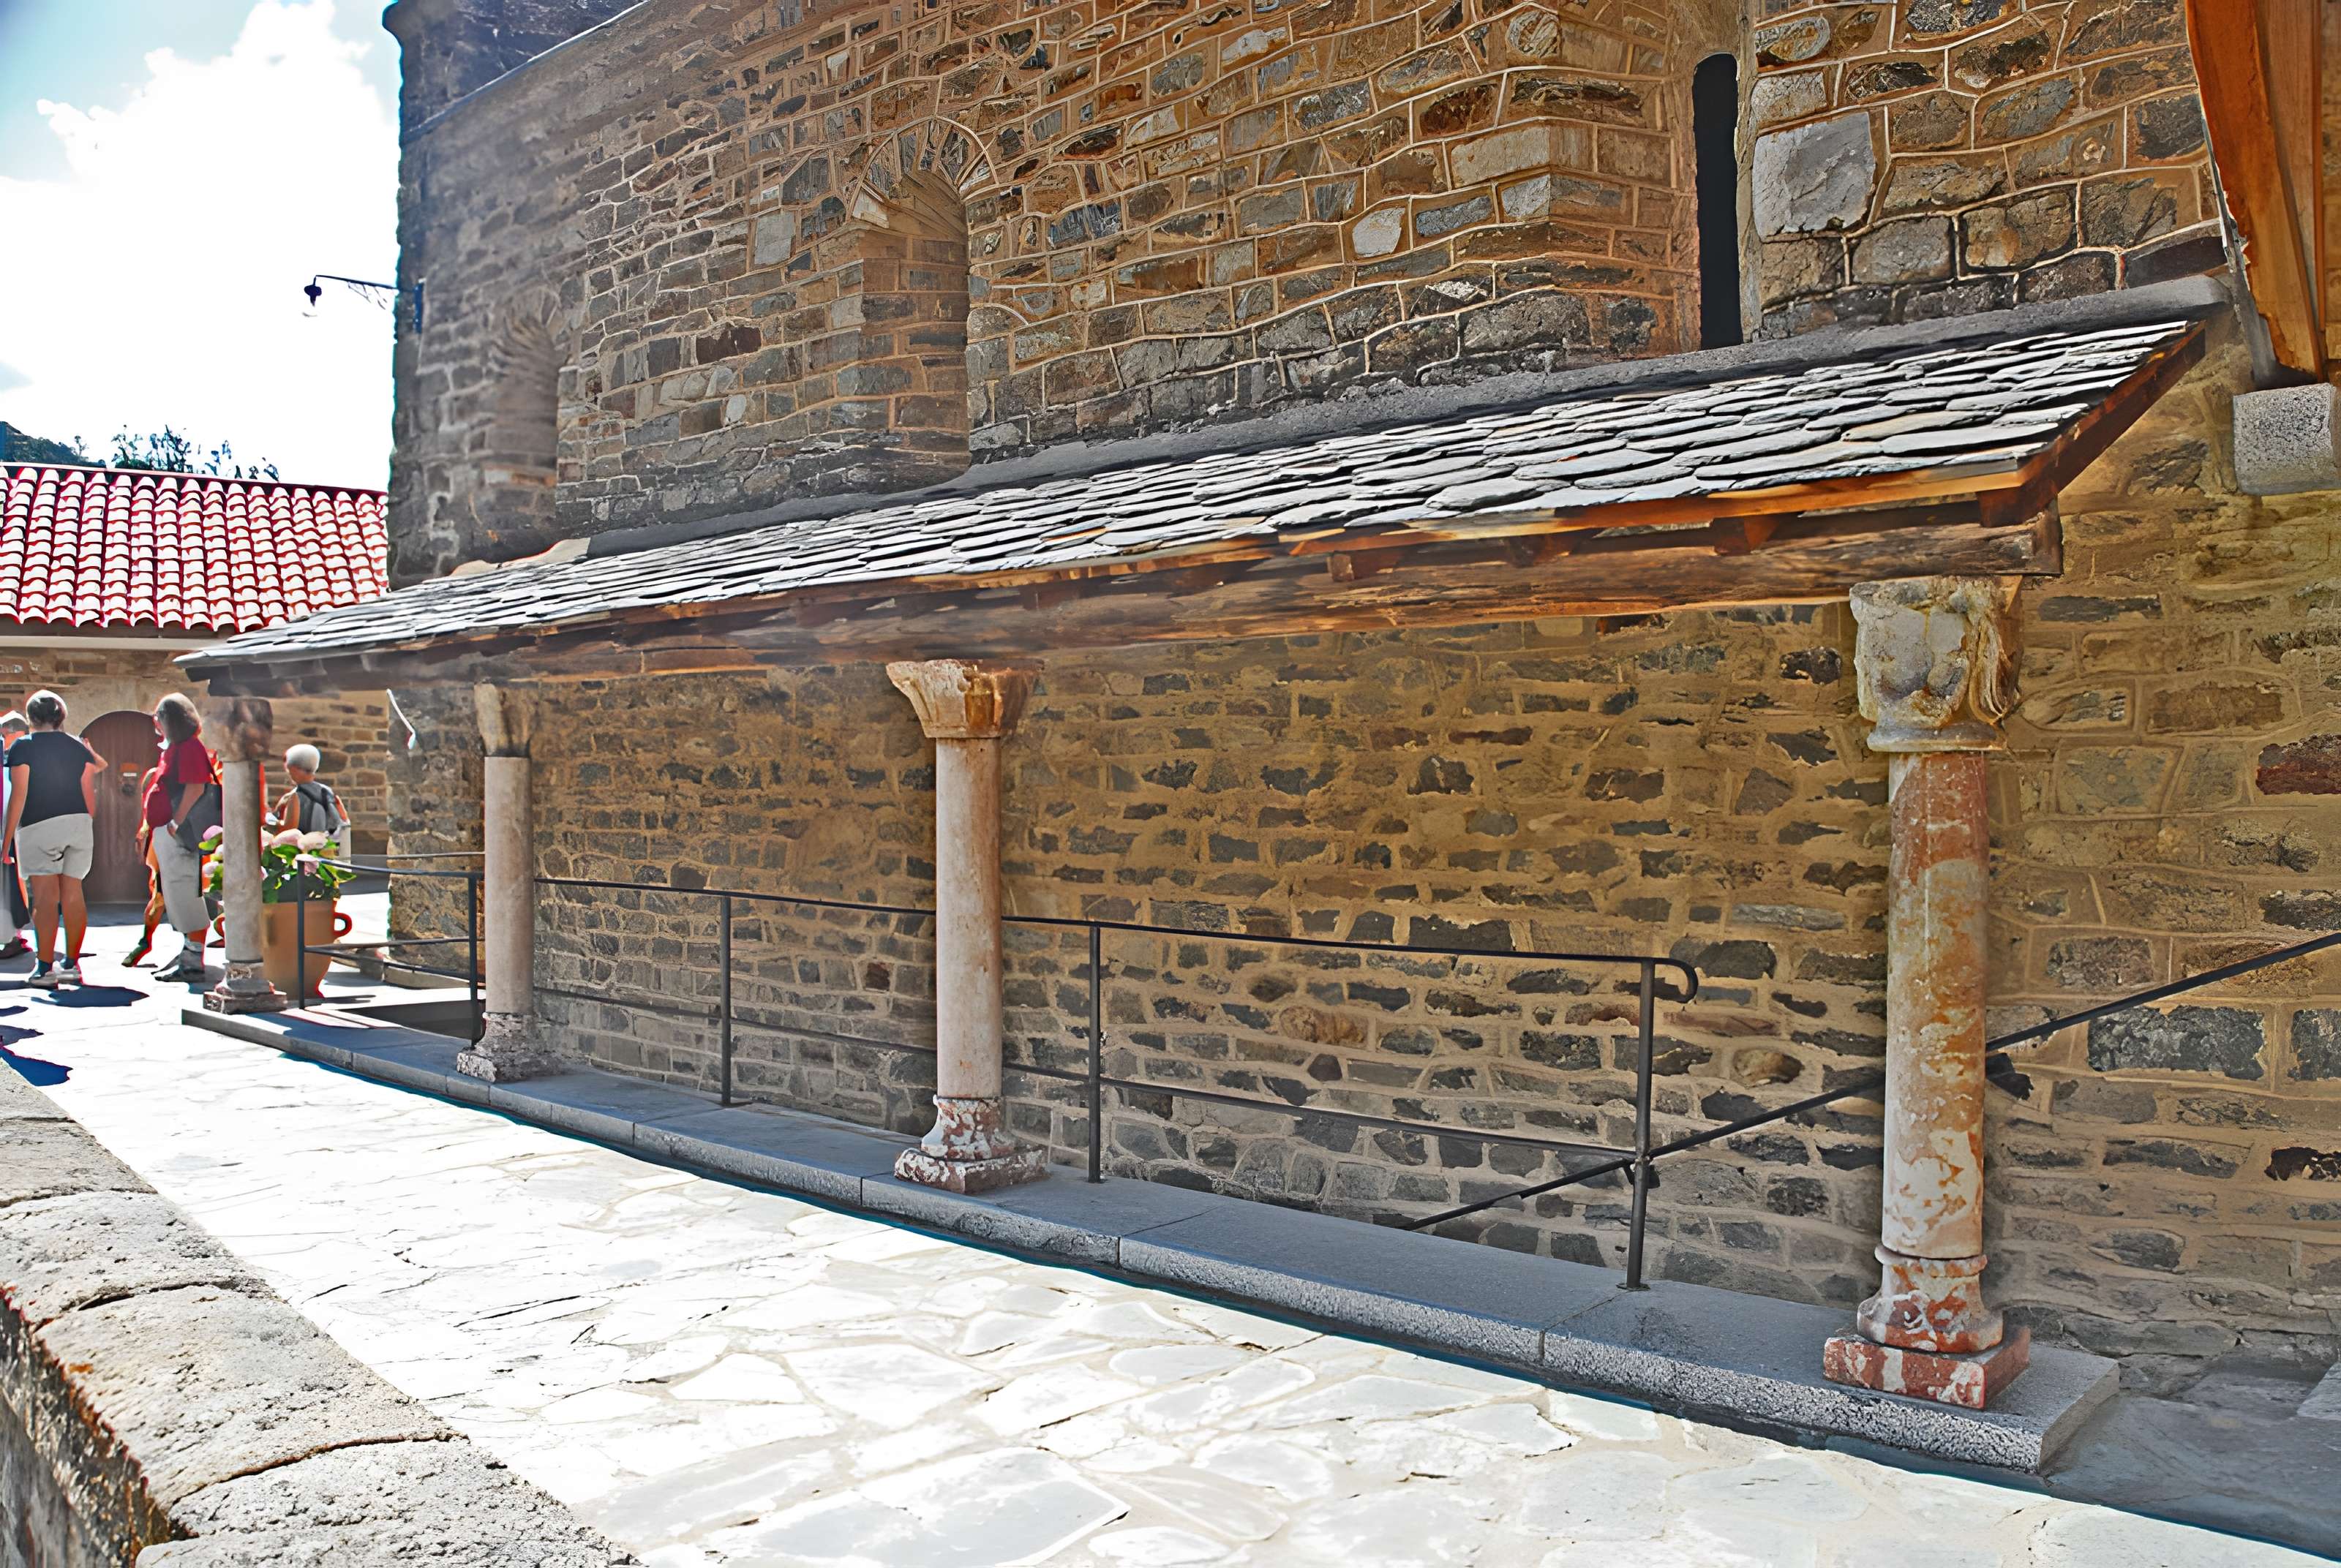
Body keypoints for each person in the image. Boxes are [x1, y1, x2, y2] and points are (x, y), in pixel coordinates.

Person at [3, 691, 102, 987]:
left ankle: (45, 969)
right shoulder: (77, 745)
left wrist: (7, 841)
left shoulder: (24, 746)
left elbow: (19, 796)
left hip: (39, 824)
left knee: (46, 899)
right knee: (73, 892)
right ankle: (72, 965)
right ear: (62, 716)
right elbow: (91, 788)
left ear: (31, 718)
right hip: (79, 823)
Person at [145, 695, 217, 983]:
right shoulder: (180, 747)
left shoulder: (188, 748)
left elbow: (196, 786)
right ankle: (188, 951)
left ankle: (192, 958)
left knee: (185, 891)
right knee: (177, 891)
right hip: (172, 830)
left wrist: (176, 821)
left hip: (180, 832)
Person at [273, 745, 349, 841]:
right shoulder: (327, 791)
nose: (288, 773)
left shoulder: (295, 796)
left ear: (294, 769)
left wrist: (272, 823)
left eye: (289, 769)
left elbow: (289, 830)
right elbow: (343, 819)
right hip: (326, 849)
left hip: (302, 852)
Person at [0, 712, 29, 961]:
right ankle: (14, 936)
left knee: (9, 886)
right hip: (13, 832)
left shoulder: (18, 760)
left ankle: (12, 938)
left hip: (13, 832)